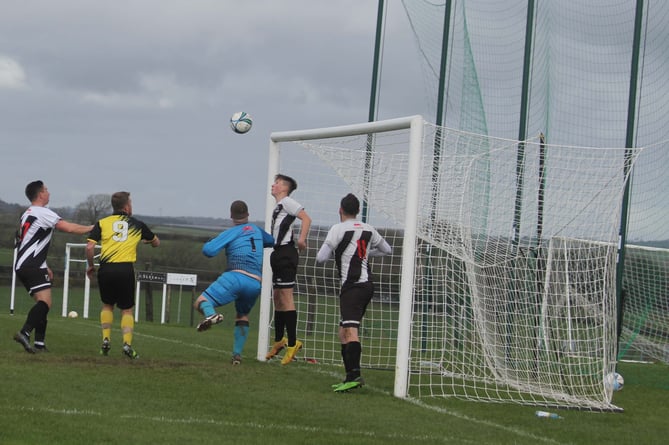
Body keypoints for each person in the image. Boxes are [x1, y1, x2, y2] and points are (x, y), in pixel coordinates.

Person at [316, 193, 392, 392]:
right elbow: (387, 249)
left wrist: (337, 251)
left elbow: (320, 258)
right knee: (343, 332)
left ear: (340, 210)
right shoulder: (368, 229)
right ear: (358, 211)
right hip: (366, 285)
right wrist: (366, 253)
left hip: (353, 286)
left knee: (350, 331)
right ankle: (350, 376)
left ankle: (355, 375)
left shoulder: (338, 228)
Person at [13, 180, 93, 353]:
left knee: (43, 303)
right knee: (45, 303)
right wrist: (94, 228)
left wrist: (44, 265)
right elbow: (69, 228)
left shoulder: (27, 213)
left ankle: (39, 344)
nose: (49, 192)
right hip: (32, 264)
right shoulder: (43, 212)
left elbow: (28, 243)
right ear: (40, 194)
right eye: (46, 190)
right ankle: (25, 332)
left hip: (24, 264)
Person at [193, 200, 274, 364]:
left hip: (236, 276)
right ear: (248, 214)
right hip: (255, 283)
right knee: (242, 315)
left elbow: (208, 251)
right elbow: (271, 241)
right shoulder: (257, 230)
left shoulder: (232, 232)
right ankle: (237, 355)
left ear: (231, 216)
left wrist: (215, 241)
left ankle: (211, 315)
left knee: (201, 302)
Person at [86, 191, 160, 359]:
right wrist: (147, 241)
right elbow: (157, 242)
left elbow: (90, 247)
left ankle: (106, 340)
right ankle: (127, 344)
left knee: (107, 306)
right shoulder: (137, 224)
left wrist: (91, 266)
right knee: (126, 309)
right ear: (127, 206)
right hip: (125, 270)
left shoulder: (102, 223)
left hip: (106, 269)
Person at [265, 174, 312, 365]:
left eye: (277, 183)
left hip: (286, 254)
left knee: (286, 297)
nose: (273, 185)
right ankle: (279, 341)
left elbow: (306, 218)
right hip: (277, 253)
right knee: (277, 298)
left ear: (284, 188)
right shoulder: (279, 206)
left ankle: (293, 343)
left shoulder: (288, 202)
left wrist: (301, 240)